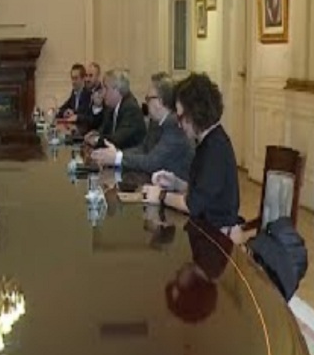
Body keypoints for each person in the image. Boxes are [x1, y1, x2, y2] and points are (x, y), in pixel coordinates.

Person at [143, 73, 241, 234]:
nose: (179, 124)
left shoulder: (214, 149)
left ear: (195, 114)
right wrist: (176, 183)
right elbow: (205, 191)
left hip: (216, 234)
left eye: (180, 117)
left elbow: (192, 205)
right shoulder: (209, 140)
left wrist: (161, 195)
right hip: (207, 226)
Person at [91, 72, 193, 180]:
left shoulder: (175, 126)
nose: (146, 103)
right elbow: (143, 148)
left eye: (148, 99)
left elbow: (152, 162)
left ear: (160, 102)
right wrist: (115, 154)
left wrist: (117, 158)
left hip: (174, 188)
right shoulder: (155, 122)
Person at [85, 69, 146, 150]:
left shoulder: (130, 109)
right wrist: (96, 134)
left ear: (117, 90)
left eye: (106, 88)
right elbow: (103, 130)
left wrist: (96, 140)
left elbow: (118, 139)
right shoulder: (112, 108)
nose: (103, 93)